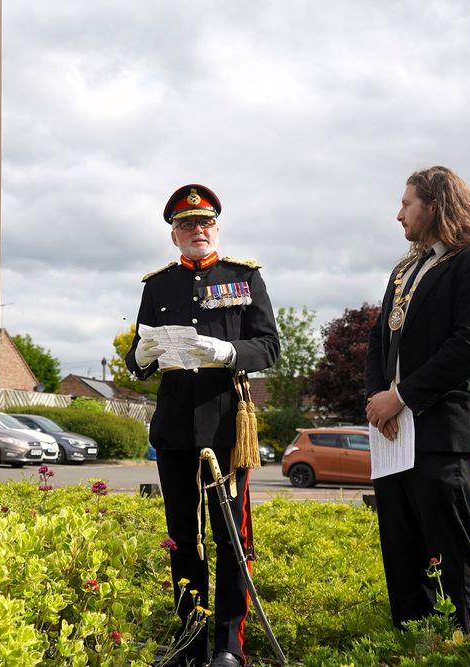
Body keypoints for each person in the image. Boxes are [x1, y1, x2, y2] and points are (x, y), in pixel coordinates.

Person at [127, 184, 280, 667]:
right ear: (173, 234)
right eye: (186, 224)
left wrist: (228, 352)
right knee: (182, 537)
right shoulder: (158, 286)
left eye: (205, 221)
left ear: (217, 225)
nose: (198, 229)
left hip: (226, 427)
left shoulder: (243, 277)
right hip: (174, 427)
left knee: (230, 537)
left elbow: (270, 346)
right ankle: (190, 641)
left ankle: (229, 647)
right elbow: (139, 360)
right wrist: (141, 354)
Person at [364, 166, 470, 633]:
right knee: (401, 554)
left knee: (450, 554)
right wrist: (376, 402)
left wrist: (401, 397)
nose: (398, 214)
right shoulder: (404, 268)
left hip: (442, 432)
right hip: (392, 432)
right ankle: (410, 643)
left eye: (406, 203)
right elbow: (377, 343)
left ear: (435, 204)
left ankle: (469, 646)